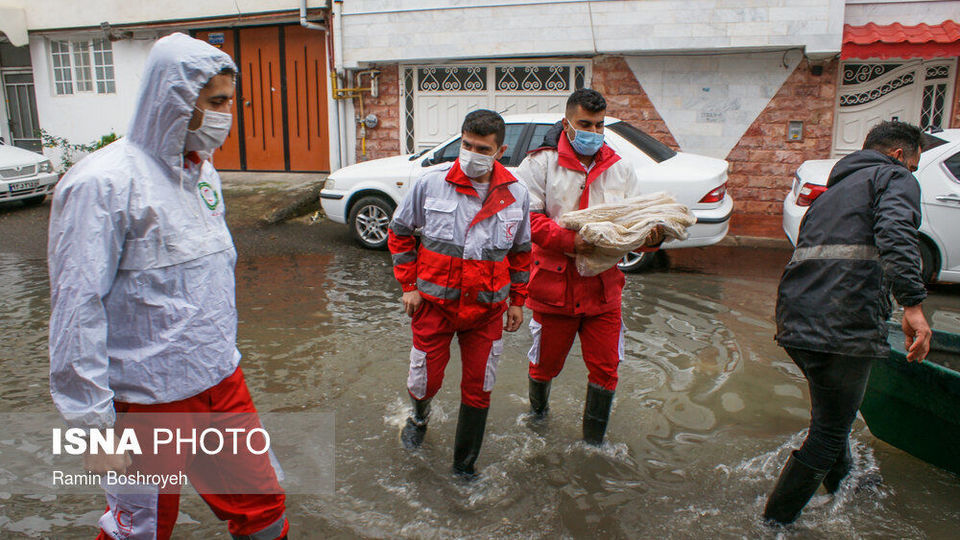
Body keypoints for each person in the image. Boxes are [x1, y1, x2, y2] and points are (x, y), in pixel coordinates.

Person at [48, 33, 288, 539]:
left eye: (230, 101)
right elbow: (76, 307)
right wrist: (94, 429)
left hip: (220, 381)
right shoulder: (102, 184)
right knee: (141, 527)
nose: (228, 114)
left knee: (264, 507)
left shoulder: (203, 173)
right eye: (216, 102)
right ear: (176, 102)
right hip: (148, 399)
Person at [766, 120, 933, 525]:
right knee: (827, 433)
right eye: (914, 165)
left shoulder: (830, 193)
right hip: (843, 324)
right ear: (898, 155)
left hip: (796, 320)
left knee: (829, 418)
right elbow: (896, 232)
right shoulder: (895, 177)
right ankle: (773, 524)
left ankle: (848, 488)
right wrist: (912, 305)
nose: (912, 173)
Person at [388, 109, 531, 478]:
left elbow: (520, 253)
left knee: (480, 386)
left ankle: (464, 466)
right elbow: (400, 232)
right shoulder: (430, 183)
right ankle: (419, 418)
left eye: (481, 148)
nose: (471, 153)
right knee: (424, 379)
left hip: (486, 311)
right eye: (466, 144)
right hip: (433, 306)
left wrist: (519, 301)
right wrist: (409, 286)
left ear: (499, 151)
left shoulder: (516, 194)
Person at [515, 88, 663, 445]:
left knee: (606, 369)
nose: (592, 132)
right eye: (584, 124)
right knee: (544, 366)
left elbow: (629, 225)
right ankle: (538, 419)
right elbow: (526, 219)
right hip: (554, 290)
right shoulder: (540, 164)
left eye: (598, 125)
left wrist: (651, 238)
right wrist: (570, 241)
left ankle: (593, 445)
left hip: (603, 291)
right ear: (567, 123)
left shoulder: (621, 168)